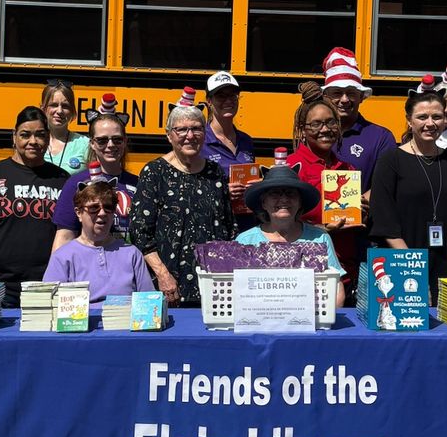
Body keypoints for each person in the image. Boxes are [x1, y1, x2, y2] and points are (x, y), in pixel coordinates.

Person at [369, 78, 447, 302]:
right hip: (403, 265)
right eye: (422, 117)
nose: (430, 123)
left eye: (437, 117)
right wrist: (412, 267)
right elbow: (384, 220)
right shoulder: (391, 160)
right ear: (409, 121)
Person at [129, 88, 235, 307]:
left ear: (204, 135)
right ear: (169, 135)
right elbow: (140, 232)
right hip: (169, 285)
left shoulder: (215, 172)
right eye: (182, 130)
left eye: (196, 129)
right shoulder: (154, 172)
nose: (190, 135)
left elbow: (228, 227)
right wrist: (162, 275)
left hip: (214, 284)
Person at [0, 107, 68, 306]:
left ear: (48, 138)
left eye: (40, 135)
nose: (33, 142)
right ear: (14, 136)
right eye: (25, 135)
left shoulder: (62, 179)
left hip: (47, 286)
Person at [235, 149, 346, 307]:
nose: (284, 199)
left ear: (300, 202)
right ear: (263, 202)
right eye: (275, 193)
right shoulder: (245, 241)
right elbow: (236, 290)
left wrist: (325, 322)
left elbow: (336, 287)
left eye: (290, 193)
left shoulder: (320, 238)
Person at [287, 82, 359, 296]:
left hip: (345, 272)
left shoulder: (347, 169)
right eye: (316, 124)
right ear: (302, 129)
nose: (325, 130)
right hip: (305, 274)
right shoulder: (291, 167)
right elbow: (278, 222)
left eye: (330, 123)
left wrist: (360, 209)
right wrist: (318, 228)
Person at [51, 94, 137, 252]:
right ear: (92, 143)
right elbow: (65, 236)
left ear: (125, 141)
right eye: (102, 140)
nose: (110, 145)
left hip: (130, 269)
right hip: (89, 269)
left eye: (117, 139)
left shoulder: (138, 184)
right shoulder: (77, 184)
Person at [43, 182, 154, 304]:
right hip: (81, 322)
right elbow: (48, 304)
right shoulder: (62, 257)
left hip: (124, 320)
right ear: (79, 213)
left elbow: (148, 302)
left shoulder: (132, 254)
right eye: (94, 208)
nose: (102, 213)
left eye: (108, 207)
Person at [321, 47, 397, 192]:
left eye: (351, 93)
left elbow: (390, 181)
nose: (344, 100)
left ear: (361, 97)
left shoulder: (381, 137)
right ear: (325, 96)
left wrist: (369, 198)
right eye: (337, 93)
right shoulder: (313, 133)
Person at [201, 71, 258, 229]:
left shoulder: (247, 141)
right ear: (209, 101)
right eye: (221, 96)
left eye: (232, 95)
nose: (228, 100)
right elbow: (190, 186)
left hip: (246, 225)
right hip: (214, 225)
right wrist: (222, 191)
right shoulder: (200, 141)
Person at [42, 80, 90, 175]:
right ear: (43, 109)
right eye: (54, 105)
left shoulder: (85, 144)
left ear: (72, 111)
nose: (59, 111)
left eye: (65, 106)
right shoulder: (35, 143)